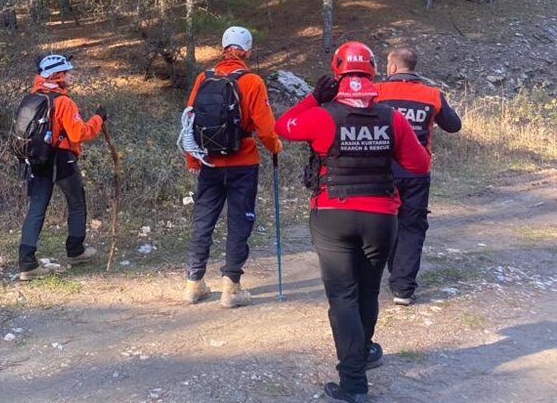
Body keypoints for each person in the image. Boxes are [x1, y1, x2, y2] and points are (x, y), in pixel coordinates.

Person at [276, 41, 430, 403]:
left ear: (336, 71)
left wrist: (314, 98)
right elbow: (419, 165)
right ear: (373, 71)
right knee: (367, 291)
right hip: (381, 217)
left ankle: (353, 384)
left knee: (343, 297)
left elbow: (283, 126)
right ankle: (364, 355)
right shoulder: (392, 118)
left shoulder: (323, 114)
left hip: (332, 215)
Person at [180, 26, 283, 307]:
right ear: (247, 51)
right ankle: (231, 288)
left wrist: (193, 159)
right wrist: (275, 146)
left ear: (222, 47)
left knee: (203, 222)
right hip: (243, 163)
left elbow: (190, 122)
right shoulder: (252, 81)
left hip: (209, 163)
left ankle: (193, 284)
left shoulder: (204, 77)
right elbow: (264, 127)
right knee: (239, 223)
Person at [375, 47, 462, 306]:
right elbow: (454, 125)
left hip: (380, 170)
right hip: (416, 172)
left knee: (379, 223)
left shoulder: (377, 91)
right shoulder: (431, 94)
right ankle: (402, 288)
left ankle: (365, 281)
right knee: (411, 227)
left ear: (391, 67)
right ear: (413, 67)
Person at [18, 53, 105, 281]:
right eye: (67, 72)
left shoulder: (33, 96)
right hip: (60, 158)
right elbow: (79, 133)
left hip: (36, 159)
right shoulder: (63, 101)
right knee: (76, 200)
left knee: (37, 207)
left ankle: (27, 263)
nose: (70, 75)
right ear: (57, 75)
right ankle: (76, 251)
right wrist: (99, 119)